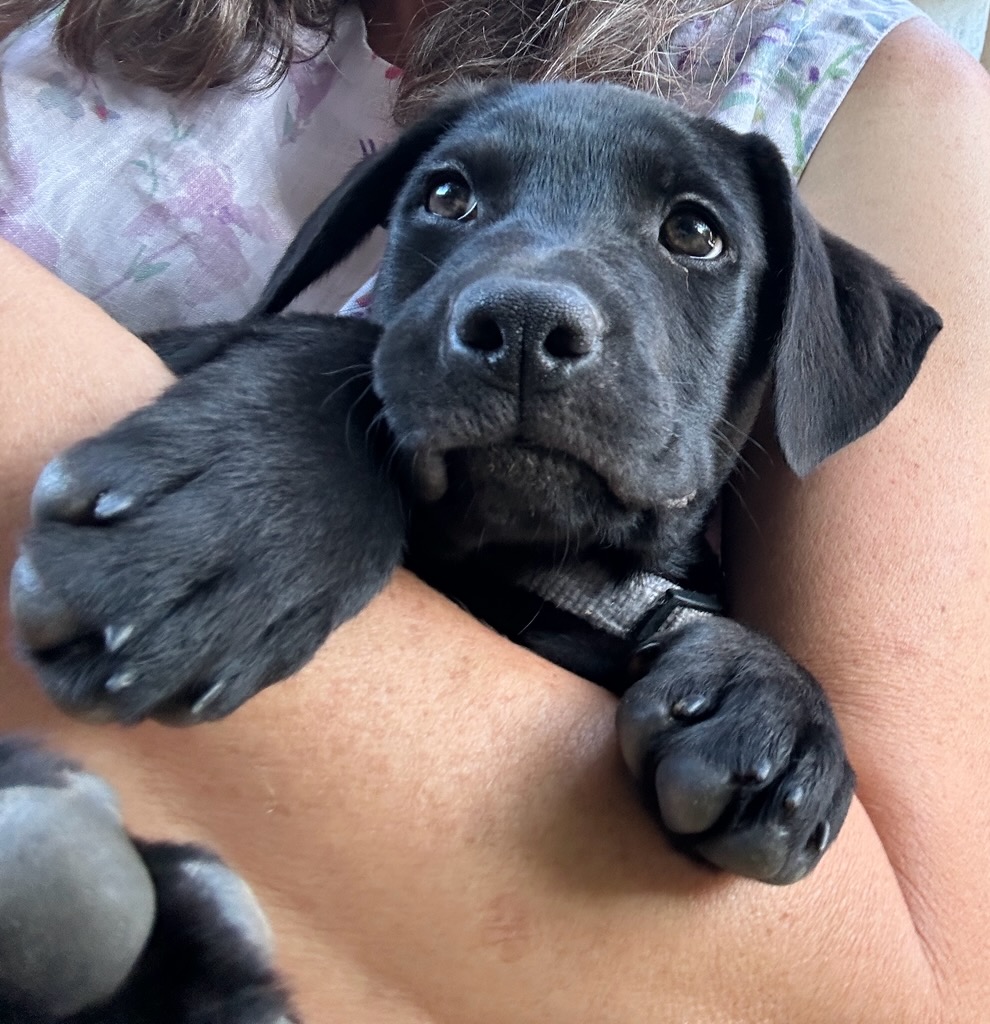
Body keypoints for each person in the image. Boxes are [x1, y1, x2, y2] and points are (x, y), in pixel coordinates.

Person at [1, 0, 989, 1020]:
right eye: (449, 200)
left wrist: (760, 686)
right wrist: (316, 389)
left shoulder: (864, 94)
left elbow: (905, 982)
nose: (531, 299)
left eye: (693, 234)